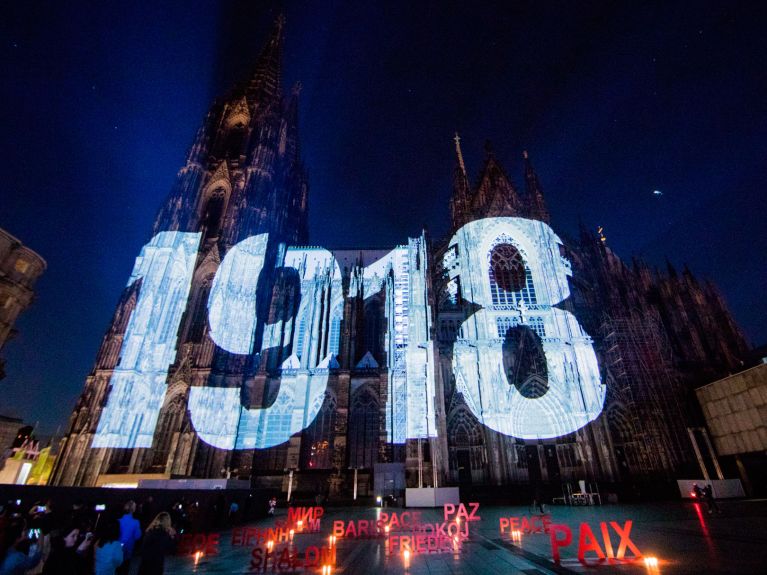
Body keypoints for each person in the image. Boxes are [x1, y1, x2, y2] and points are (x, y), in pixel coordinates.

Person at [117, 502, 141, 575]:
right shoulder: (135, 522)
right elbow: (138, 536)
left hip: (117, 548)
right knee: (125, 569)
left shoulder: (118, 520)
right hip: (128, 549)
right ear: (133, 509)